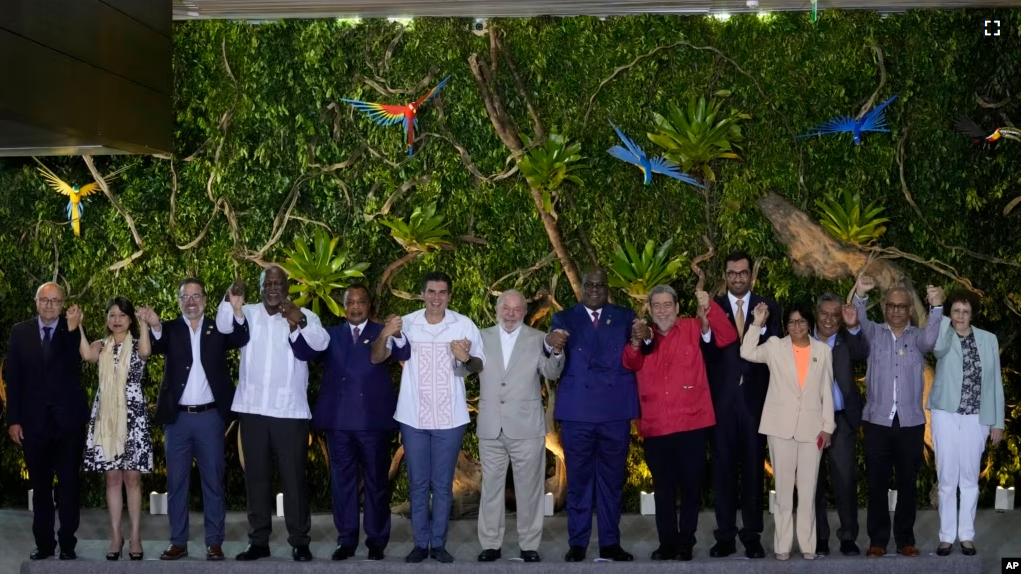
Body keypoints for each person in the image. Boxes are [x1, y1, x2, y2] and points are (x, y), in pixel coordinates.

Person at [291, 284, 409, 561]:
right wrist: (294, 328)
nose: (356, 307)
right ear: (344, 307)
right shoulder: (329, 335)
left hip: (373, 423)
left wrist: (396, 333)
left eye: (361, 302)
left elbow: (401, 353)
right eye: (350, 303)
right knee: (342, 482)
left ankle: (377, 541)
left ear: (369, 305)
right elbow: (304, 353)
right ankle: (346, 540)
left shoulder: (382, 331)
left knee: (376, 483)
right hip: (339, 423)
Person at [623, 286, 737, 561]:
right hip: (656, 425)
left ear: (676, 307)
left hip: (692, 424)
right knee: (662, 490)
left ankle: (686, 542)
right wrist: (636, 342)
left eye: (667, 305)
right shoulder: (642, 332)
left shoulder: (691, 327)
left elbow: (727, 336)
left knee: (690, 488)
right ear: (649, 309)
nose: (662, 310)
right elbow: (630, 362)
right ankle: (667, 544)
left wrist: (708, 306)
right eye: (657, 305)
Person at [377, 271, 484, 563]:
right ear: (423, 294)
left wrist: (465, 357)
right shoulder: (407, 323)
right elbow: (380, 356)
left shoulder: (463, 324)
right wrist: (388, 330)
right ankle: (419, 543)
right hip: (413, 416)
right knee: (418, 484)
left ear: (449, 296)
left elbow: (477, 365)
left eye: (442, 292)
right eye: (431, 292)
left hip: (451, 418)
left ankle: (438, 543)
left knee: (442, 483)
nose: (437, 298)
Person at [229, 265, 329, 562]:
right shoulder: (246, 312)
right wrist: (231, 301)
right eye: (267, 283)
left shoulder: (305, 314)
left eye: (278, 283)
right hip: (253, 410)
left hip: (290, 412)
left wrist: (297, 319)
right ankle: (258, 541)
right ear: (260, 288)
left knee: (294, 478)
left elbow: (321, 344)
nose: (273, 288)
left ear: (287, 286)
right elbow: (225, 327)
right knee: (256, 478)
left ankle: (299, 540)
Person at [145, 278, 249, 561]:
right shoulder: (170, 328)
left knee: (213, 481)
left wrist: (237, 311)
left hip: (210, 418)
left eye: (196, 296)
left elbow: (241, 338)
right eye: (185, 297)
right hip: (177, 421)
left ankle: (214, 542)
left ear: (205, 298)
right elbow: (155, 343)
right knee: (176, 483)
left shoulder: (219, 327)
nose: (191, 301)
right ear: (178, 301)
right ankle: (178, 541)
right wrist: (154, 323)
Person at [552, 267, 639, 563]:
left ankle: (610, 543)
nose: (594, 289)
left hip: (614, 411)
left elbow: (638, 351)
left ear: (607, 288)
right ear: (581, 287)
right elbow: (554, 357)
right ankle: (577, 543)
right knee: (578, 481)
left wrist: (645, 338)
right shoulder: (564, 318)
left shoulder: (625, 317)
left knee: (612, 481)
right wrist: (552, 346)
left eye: (600, 285)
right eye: (589, 284)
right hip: (577, 412)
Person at [853, 275, 944, 558]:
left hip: (910, 423)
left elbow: (932, 340)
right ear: (884, 309)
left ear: (908, 310)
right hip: (877, 422)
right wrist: (861, 294)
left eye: (901, 306)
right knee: (877, 483)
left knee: (907, 483)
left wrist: (937, 307)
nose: (895, 310)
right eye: (891, 305)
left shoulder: (918, 338)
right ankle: (878, 540)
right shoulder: (873, 333)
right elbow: (857, 320)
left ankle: (905, 538)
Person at [476, 289, 566, 563]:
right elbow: (464, 368)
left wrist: (557, 351)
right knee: (490, 489)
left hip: (527, 427)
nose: (511, 314)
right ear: (497, 309)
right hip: (490, 426)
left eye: (517, 309)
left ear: (525, 312)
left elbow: (551, 372)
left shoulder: (539, 339)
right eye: (506, 308)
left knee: (530, 489)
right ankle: (490, 544)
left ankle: (529, 545)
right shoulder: (480, 337)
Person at [741, 301, 835, 561]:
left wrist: (828, 427)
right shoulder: (774, 346)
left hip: (812, 430)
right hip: (779, 429)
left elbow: (826, 391)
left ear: (810, 324)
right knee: (782, 492)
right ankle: (782, 544)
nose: (797, 326)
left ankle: (808, 545)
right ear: (786, 325)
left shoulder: (823, 351)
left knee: (808, 492)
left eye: (802, 321)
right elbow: (747, 351)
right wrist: (757, 322)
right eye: (792, 322)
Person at [5, 283, 89, 560]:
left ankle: (67, 544)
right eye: (45, 300)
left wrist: (74, 328)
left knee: (68, 487)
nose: (50, 305)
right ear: (36, 302)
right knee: (40, 489)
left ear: (63, 304)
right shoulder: (20, 332)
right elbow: (13, 379)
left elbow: (70, 365)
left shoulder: (71, 328)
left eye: (55, 301)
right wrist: (13, 420)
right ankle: (44, 544)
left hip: (68, 426)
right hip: (32, 424)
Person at [708, 252, 781, 559]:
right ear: (725, 276)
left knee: (753, 471)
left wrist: (761, 326)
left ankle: (751, 534)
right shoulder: (712, 308)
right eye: (731, 273)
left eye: (742, 273)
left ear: (751, 275)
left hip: (755, 401)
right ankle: (725, 535)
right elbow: (705, 349)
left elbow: (776, 345)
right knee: (722, 471)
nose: (737, 278)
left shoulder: (769, 306)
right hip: (721, 402)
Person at [75, 298, 153, 560]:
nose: (116, 319)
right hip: (107, 415)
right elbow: (86, 354)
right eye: (112, 315)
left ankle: (135, 538)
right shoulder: (101, 345)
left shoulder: (137, 341)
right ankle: (115, 537)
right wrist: (79, 326)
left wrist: (144, 324)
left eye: (122, 315)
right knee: (112, 478)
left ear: (130, 319)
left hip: (132, 415)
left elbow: (145, 352)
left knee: (132, 478)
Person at [928, 290, 1004, 557]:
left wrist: (997, 422)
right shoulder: (944, 333)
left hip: (976, 418)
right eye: (956, 310)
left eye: (965, 311)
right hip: (945, 414)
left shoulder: (988, 340)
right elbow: (936, 350)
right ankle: (947, 536)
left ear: (973, 314)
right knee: (947, 477)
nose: (960, 316)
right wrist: (939, 311)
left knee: (970, 478)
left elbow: (995, 382)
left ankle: (967, 536)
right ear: (950, 312)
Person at [812, 294, 868, 557]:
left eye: (835, 315)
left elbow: (861, 351)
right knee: (813, 482)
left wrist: (854, 325)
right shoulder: (802, 339)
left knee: (845, 480)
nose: (829, 320)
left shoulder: (847, 341)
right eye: (824, 313)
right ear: (816, 314)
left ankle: (848, 537)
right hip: (809, 421)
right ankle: (819, 537)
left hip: (841, 418)